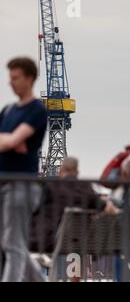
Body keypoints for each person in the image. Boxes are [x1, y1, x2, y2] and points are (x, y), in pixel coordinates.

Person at [0, 57, 48, 282]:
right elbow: (11, 143)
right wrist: (10, 141)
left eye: (16, 78)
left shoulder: (36, 110)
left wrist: (11, 141)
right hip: (5, 183)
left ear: (30, 79)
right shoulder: (8, 110)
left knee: (13, 244)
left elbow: (12, 142)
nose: (11, 83)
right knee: (10, 242)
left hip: (21, 185)